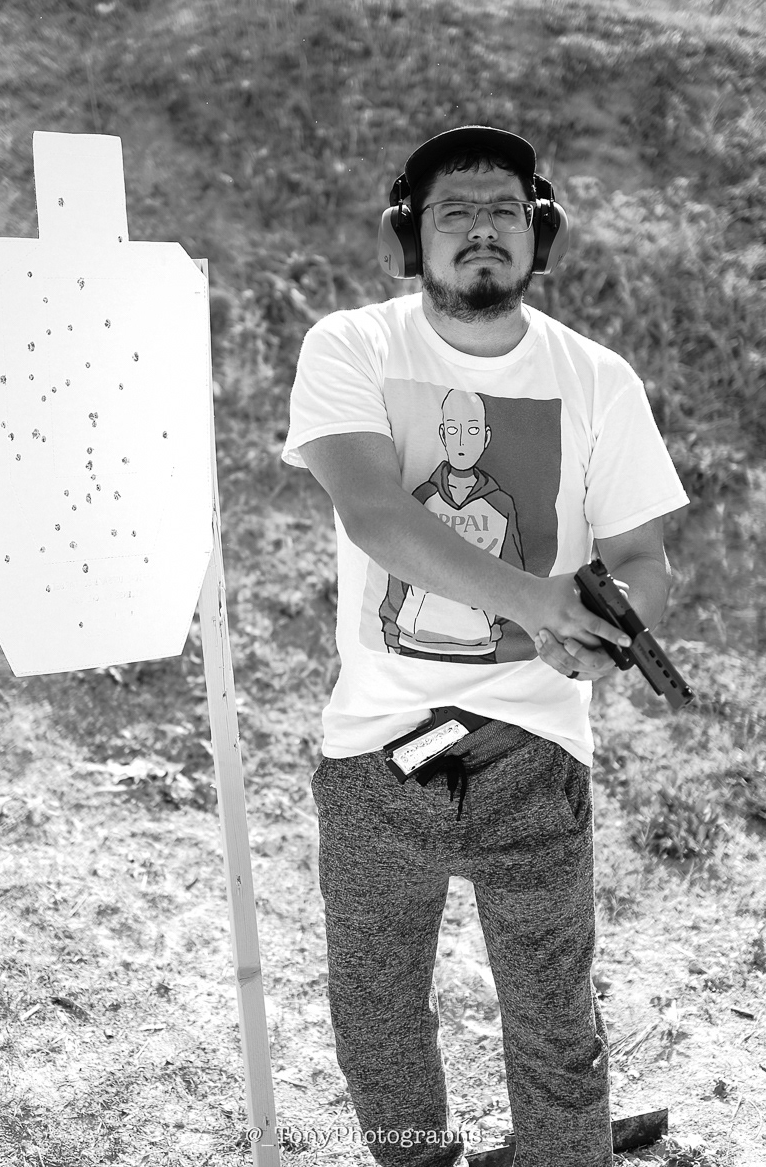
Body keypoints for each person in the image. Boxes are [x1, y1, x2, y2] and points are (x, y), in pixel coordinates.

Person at [282, 125, 688, 1167]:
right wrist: (541, 603)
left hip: (536, 745)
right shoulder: (353, 347)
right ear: (407, 237)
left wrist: (610, 627)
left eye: (504, 209)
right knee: (377, 1010)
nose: (481, 230)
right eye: (454, 212)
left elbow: (642, 557)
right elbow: (375, 514)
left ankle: (562, 1155)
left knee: (554, 1014)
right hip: (376, 744)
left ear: (538, 232)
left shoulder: (597, 378)